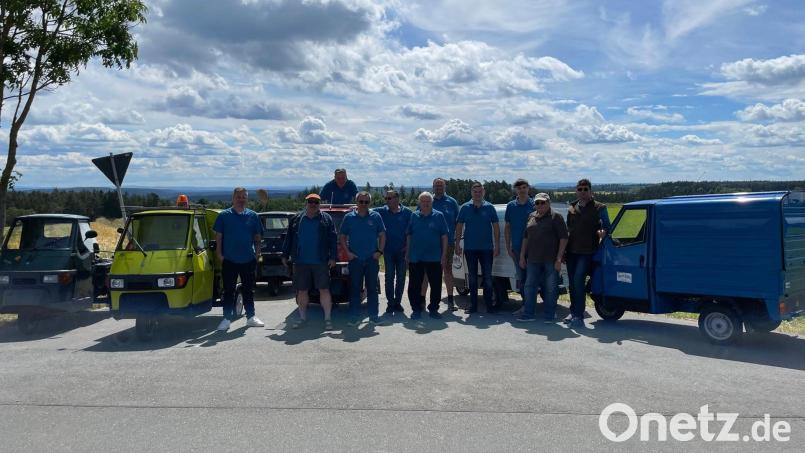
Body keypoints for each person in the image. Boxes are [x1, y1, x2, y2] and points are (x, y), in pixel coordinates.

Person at [282, 193, 338, 330]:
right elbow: (288, 238)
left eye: (316, 202)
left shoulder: (326, 219)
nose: (313, 204)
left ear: (319, 204)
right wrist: (284, 255)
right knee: (301, 291)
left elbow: (333, 239)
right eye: (310, 202)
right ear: (306, 203)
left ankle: (327, 319)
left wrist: (333, 257)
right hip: (300, 261)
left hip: (320, 261)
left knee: (324, 289)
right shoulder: (296, 219)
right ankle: (302, 318)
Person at [214, 187, 264, 331]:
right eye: (238, 197)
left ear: (247, 199)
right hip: (229, 259)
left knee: (248, 289)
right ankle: (226, 319)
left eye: (244, 197)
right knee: (228, 290)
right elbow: (219, 237)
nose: (241, 200)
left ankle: (251, 317)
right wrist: (219, 254)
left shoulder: (253, 216)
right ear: (233, 198)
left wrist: (257, 253)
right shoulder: (224, 215)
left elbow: (258, 237)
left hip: (248, 259)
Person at [565, 178, 611, 327]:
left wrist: (603, 232)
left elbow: (608, 227)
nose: (583, 192)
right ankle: (574, 312)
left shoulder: (599, 207)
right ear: (576, 191)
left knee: (578, 281)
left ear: (591, 191)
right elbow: (568, 230)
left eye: (586, 189)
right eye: (580, 189)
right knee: (572, 283)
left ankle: (578, 315)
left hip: (588, 251)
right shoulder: (571, 208)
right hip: (571, 251)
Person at [517, 193, 568, 323]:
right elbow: (525, 237)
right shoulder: (531, 216)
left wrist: (559, 258)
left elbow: (563, 238)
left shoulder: (556, 217)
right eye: (537, 203)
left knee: (550, 287)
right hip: (533, 259)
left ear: (549, 203)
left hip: (550, 259)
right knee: (529, 286)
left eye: (543, 202)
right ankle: (528, 314)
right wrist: (522, 256)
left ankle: (550, 315)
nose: (540, 205)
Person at [340, 191, 386, 326]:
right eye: (361, 201)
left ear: (369, 203)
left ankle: (373, 316)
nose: (364, 204)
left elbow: (383, 235)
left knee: (372, 288)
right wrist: (347, 252)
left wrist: (379, 251)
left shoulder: (376, 216)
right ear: (357, 202)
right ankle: (354, 316)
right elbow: (342, 236)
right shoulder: (349, 217)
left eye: (366, 202)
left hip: (372, 258)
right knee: (355, 288)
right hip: (355, 259)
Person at [454, 182, 500, 314]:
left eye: (480, 191)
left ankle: (489, 306)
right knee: (472, 278)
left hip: (487, 248)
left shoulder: (490, 207)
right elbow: (459, 226)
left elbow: (496, 227)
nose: (478, 193)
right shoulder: (465, 208)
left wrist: (497, 245)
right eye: (475, 191)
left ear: (483, 192)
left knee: (487, 277)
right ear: (471, 192)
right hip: (470, 248)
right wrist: (457, 244)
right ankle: (473, 305)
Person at [406, 192, 449, 319]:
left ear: (432, 202)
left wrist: (444, 254)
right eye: (423, 201)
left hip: (434, 257)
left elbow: (444, 236)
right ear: (419, 202)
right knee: (414, 285)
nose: (425, 203)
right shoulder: (414, 216)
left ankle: (434, 309)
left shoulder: (439, 216)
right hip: (416, 257)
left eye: (428, 201)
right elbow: (409, 235)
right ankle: (416, 309)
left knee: (435, 285)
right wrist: (407, 253)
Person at [373, 190, 413, 315]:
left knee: (401, 278)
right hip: (388, 251)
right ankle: (390, 303)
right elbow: (365, 210)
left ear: (397, 198)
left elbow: (410, 232)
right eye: (386, 198)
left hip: (402, 251)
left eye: (389, 198)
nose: (387, 201)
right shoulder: (381, 211)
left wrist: (408, 248)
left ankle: (398, 302)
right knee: (389, 278)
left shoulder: (408, 213)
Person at [504, 179, 534, 313]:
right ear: (515, 190)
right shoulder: (511, 206)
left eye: (524, 187)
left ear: (528, 188)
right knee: (522, 277)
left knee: (534, 276)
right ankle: (525, 306)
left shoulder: (535, 204)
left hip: (534, 247)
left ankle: (539, 306)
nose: (522, 190)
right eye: (519, 188)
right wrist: (508, 245)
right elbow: (507, 227)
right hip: (516, 247)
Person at [430, 178, 460, 310]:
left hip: (448, 243)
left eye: (441, 186)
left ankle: (450, 300)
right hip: (430, 244)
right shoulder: (428, 201)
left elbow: (458, 223)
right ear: (433, 187)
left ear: (445, 187)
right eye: (436, 186)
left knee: (448, 271)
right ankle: (424, 300)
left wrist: (457, 241)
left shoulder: (452, 202)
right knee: (429, 273)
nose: (439, 188)